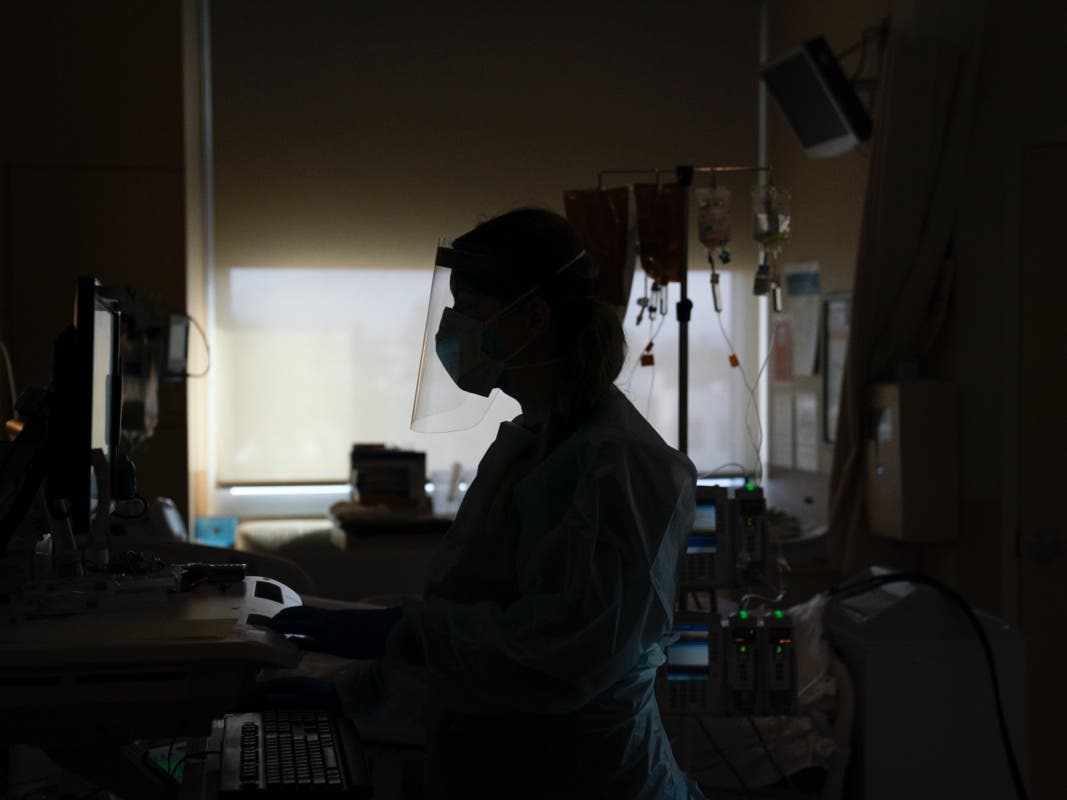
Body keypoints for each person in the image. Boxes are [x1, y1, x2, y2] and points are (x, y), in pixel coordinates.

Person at [269, 208, 702, 799]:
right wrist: (355, 688)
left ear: (533, 317)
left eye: (470, 311)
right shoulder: (531, 443)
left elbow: (557, 656)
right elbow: (474, 632)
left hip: (588, 777)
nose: (453, 329)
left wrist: (397, 634)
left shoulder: (618, 466)